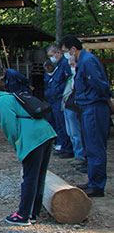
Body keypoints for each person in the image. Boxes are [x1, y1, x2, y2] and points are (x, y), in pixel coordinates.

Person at [0, 81, 56, 225]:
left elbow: (9, 127)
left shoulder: (1, 102)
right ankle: (33, 212)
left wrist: (17, 145)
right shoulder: (9, 96)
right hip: (45, 134)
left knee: (29, 177)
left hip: (32, 139)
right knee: (39, 176)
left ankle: (23, 215)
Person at [60, 35, 111, 197]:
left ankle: (97, 186)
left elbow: (100, 84)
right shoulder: (82, 61)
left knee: (95, 147)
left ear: (73, 49)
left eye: (65, 51)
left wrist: (107, 99)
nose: (65, 55)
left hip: (94, 107)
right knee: (90, 146)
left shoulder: (88, 61)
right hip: (87, 107)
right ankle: (92, 181)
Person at [44, 44, 74, 158]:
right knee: (55, 122)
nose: (51, 57)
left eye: (52, 55)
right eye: (49, 56)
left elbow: (68, 80)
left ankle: (68, 147)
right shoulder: (55, 65)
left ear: (58, 53)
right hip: (52, 98)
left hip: (60, 98)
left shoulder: (65, 64)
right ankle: (60, 144)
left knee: (62, 123)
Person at [62, 56, 87, 172]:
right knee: (71, 133)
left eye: (73, 64)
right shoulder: (71, 77)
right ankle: (77, 155)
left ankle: (81, 156)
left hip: (76, 108)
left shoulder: (81, 77)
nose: (71, 67)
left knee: (77, 134)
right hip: (68, 106)